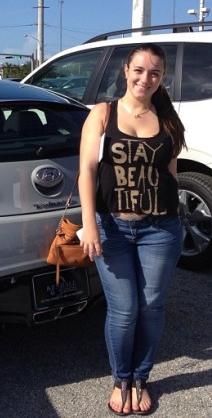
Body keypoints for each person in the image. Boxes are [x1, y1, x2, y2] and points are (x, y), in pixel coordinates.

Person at [78, 43, 186, 416]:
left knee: (152, 307)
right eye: (139, 70)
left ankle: (141, 378)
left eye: (154, 73)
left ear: (162, 78)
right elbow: (87, 172)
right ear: (126, 71)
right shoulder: (103, 114)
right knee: (124, 310)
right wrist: (89, 224)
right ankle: (121, 379)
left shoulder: (168, 119)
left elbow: (170, 174)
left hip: (161, 229)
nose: (146, 78)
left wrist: (179, 220)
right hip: (113, 230)